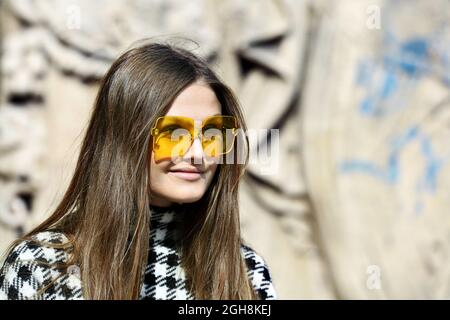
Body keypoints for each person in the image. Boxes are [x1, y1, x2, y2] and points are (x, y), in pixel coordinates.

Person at [0, 40, 277, 300]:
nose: (198, 154)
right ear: (125, 138)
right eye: (175, 134)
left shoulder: (246, 274)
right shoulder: (40, 268)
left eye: (213, 133)